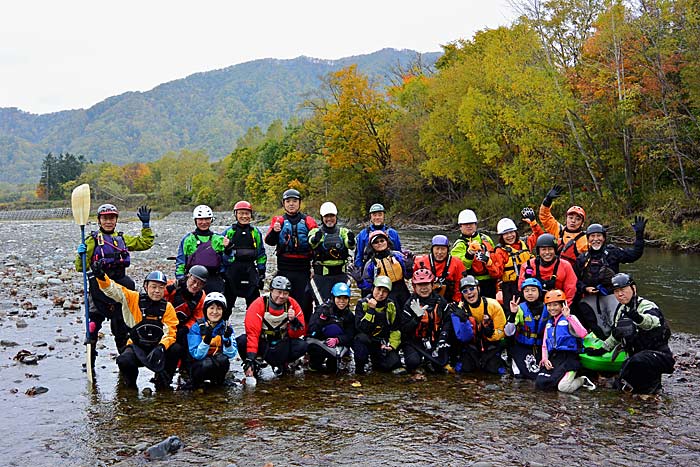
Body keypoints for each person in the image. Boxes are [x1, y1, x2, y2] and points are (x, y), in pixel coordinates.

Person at [75, 204, 154, 360]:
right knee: (93, 322)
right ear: (99, 221)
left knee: (121, 325)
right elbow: (80, 267)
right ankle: (91, 353)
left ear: (116, 220)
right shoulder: (91, 240)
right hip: (99, 285)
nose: (108, 221)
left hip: (119, 284)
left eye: (111, 218)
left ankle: (125, 357)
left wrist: (146, 226)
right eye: (105, 218)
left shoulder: (122, 238)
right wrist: (81, 254)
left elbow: (145, 243)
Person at [584, 273, 674, 394]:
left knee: (637, 362)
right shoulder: (621, 310)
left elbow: (653, 321)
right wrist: (601, 350)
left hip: (659, 355)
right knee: (621, 384)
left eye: (623, 290)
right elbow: (616, 336)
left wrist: (637, 318)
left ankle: (653, 389)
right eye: (616, 291)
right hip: (635, 357)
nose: (620, 294)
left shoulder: (647, 305)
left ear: (633, 288)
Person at [93, 265, 179, 390]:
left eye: (161, 287)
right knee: (123, 360)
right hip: (136, 346)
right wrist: (101, 276)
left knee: (176, 349)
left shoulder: (168, 307)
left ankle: (163, 383)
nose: (157, 291)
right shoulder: (133, 298)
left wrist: (161, 346)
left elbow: (171, 332)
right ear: (146, 286)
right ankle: (131, 387)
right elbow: (113, 289)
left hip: (157, 348)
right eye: (153, 287)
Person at [574, 218, 647, 338]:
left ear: (604, 238)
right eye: (592, 236)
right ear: (588, 239)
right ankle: (599, 337)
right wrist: (585, 288)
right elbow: (575, 280)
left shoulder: (613, 252)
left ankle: (620, 338)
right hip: (590, 297)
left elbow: (635, 254)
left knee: (616, 321)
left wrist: (639, 235)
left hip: (612, 295)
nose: (596, 239)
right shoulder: (582, 258)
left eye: (599, 236)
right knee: (594, 322)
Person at [237, 275, 307, 381]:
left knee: (302, 345)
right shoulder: (258, 304)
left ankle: (285, 363)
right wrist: (250, 359)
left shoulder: (292, 304)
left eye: (285, 293)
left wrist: (293, 321)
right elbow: (252, 334)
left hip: (282, 343)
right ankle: (256, 363)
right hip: (263, 343)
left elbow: (298, 333)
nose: (281, 296)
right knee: (242, 341)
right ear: (271, 291)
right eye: (278, 292)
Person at [264, 189, 318, 321]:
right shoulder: (278, 221)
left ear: (299, 203)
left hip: (303, 270)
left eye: (294, 201)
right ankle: (283, 329)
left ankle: (304, 332)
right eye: (288, 201)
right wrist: (275, 232)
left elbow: (317, 245)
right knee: (282, 300)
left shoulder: (308, 221)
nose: (291, 204)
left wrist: (315, 268)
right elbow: (269, 241)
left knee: (305, 302)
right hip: (284, 269)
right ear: (284, 204)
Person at [535, 289, 595, 393]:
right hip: (556, 357)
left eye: (555, 305)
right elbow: (545, 344)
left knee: (563, 387)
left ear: (563, 305)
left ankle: (582, 380)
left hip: (570, 357)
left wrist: (568, 317)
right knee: (541, 384)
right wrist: (545, 359)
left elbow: (583, 333)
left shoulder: (570, 318)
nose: (552, 308)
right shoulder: (550, 323)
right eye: (549, 305)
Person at [448, 275, 507, 375]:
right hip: (471, 345)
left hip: (490, 344)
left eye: (471, 288)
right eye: (465, 291)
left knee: (495, 370)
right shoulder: (459, 309)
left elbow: (502, 332)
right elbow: (462, 337)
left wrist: (489, 332)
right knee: (465, 369)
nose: (469, 293)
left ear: (478, 289)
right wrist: (463, 321)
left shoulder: (493, 305)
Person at [399, 269, 451, 374]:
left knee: (441, 364)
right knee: (413, 362)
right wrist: (416, 318)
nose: (424, 288)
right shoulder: (409, 305)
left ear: (432, 285)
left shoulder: (440, 301)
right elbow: (404, 330)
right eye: (420, 285)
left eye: (426, 284)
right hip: (415, 341)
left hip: (435, 339)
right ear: (414, 287)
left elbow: (447, 321)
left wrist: (443, 337)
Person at [163, 264, 208, 384]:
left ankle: (185, 369)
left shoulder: (201, 297)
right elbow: (155, 295)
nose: (195, 285)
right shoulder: (174, 285)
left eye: (200, 284)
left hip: (183, 325)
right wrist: (168, 289)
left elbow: (198, 317)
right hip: (165, 323)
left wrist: (187, 327)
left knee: (187, 338)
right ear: (188, 276)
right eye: (193, 281)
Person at [222, 200, 267, 312]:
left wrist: (261, 272)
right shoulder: (229, 232)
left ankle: (253, 328)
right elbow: (221, 253)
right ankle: (224, 327)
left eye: (247, 213)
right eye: (241, 213)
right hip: (232, 271)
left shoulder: (255, 232)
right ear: (236, 214)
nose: (244, 216)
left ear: (251, 215)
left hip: (250, 269)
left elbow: (261, 253)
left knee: (254, 306)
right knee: (227, 306)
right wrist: (222, 271)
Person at [487, 216, 541, 310]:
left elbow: (539, 235)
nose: (509, 236)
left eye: (511, 232)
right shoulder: (500, 251)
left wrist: (533, 223)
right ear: (501, 236)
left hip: (528, 283)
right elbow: (497, 273)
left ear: (516, 232)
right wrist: (487, 262)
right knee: (513, 312)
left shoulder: (525, 243)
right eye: (505, 234)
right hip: (510, 288)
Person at [187, 292, 238, 388]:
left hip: (216, 363)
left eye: (219, 308)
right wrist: (207, 340)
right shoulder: (196, 327)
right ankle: (198, 385)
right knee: (207, 363)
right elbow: (197, 355)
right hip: (199, 366)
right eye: (211, 308)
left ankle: (218, 382)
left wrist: (227, 340)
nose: (215, 312)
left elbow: (231, 354)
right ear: (205, 310)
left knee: (223, 359)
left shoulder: (226, 327)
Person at [353, 276, 402, 375]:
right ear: (373, 288)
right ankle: (360, 365)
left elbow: (395, 328)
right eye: (378, 289)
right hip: (366, 339)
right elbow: (361, 328)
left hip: (381, 342)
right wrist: (371, 310)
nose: (380, 294)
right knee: (360, 339)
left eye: (385, 291)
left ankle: (377, 360)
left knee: (392, 364)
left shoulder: (391, 305)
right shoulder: (362, 304)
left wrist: (392, 345)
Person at [308, 201, 356, 302]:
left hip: (340, 276)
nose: (329, 219)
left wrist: (351, 241)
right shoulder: (316, 232)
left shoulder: (343, 231)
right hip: (321, 277)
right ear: (322, 218)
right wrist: (315, 239)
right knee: (322, 306)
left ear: (336, 217)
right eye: (326, 216)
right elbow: (311, 242)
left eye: (332, 216)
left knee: (341, 306)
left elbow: (349, 245)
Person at [352, 230, 410, 309]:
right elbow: (368, 287)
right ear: (371, 246)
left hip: (402, 291)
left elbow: (408, 276)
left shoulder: (398, 256)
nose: (379, 243)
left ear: (387, 241)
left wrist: (409, 267)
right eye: (376, 242)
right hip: (384, 294)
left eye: (382, 241)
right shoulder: (370, 264)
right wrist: (360, 281)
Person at [175, 205, 226, 293]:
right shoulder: (188, 239)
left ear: (211, 220)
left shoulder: (218, 239)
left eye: (207, 219)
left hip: (213, 278)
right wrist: (180, 278)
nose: (204, 222)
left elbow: (227, 261)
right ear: (195, 220)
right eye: (200, 219)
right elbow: (181, 260)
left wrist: (228, 249)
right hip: (193, 279)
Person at [306, 282, 355, 373]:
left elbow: (350, 335)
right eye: (339, 298)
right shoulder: (322, 310)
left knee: (332, 370)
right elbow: (311, 332)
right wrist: (321, 320)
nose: (342, 301)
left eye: (345, 298)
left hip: (337, 344)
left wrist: (337, 340)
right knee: (315, 366)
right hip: (320, 342)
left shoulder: (349, 315)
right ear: (333, 298)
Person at [506, 278, 549, 380]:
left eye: (533, 290)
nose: (530, 293)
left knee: (541, 375)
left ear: (539, 292)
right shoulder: (519, 308)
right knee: (519, 375)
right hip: (522, 346)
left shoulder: (547, 308)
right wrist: (513, 314)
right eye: (526, 291)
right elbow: (508, 332)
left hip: (540, 348)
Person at [518, 233, 577, 306]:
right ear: (538, 251)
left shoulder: (565, 266)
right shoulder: (528, 265)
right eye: (543, 249)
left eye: (550, 249)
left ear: (555, 250)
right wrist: (527, 278)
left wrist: (565, 307)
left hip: (557, 306)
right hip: (534, 306)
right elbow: (521, 288)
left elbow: (570, 289)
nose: (547, 252)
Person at [450, 209, 497, 298]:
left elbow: (496, 259)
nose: (469, 226)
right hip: (472, 284)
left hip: (491, 281)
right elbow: (459, 267)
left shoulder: (486, 239)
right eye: (465, 224)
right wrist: (469, 255)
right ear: (460, 226)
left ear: (475, 225)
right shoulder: (459, 245)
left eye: (471, 224)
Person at [538, 184, 588, 264]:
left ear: (582, 223)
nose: (573, 221)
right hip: (555, 270)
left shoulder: (585, 239)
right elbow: (544, 216)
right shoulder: (558, 230)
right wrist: (547, 201)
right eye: (571, 217)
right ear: (566, 219)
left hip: (574, 273)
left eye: (578, 219)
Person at [412, 235, 465, 304]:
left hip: (449, 300)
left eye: (443, 249)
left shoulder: (457, 263)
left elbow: (459, 285)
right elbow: (415, 284)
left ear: (447, 250)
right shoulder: (420, 262)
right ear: (432, 249)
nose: (440, 252)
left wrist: (456, 302)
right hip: (426, 299)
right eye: (437, 248)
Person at [352, 203, 402, 270]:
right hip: (370, 269)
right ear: (371, 217)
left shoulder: (393, 233)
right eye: (374, 215)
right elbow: (359, 256)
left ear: (384, 216)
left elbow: (398, 253)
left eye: (380, 215)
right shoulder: (363, 234)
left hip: (390, 268)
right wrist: (359, 271)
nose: (377, 217)